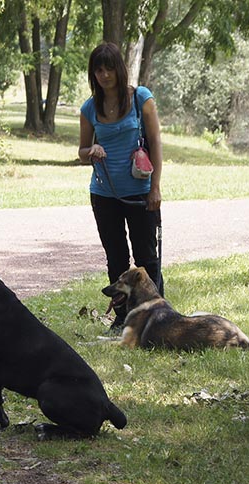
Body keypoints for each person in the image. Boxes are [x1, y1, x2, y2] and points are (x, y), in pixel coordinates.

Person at [78, 42, 164, 333]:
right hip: (104, 193)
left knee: (145, 256)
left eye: (109, 68)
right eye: (98, 70)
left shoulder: (141, 98)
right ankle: (122, 317)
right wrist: (92, 149)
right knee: (116, 257)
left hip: (140, 192)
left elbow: (155, 143)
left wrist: (156, 188)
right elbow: (80, 150)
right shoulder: (90, 107)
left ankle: (154, 314)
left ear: (120, 69)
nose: (104, 75)